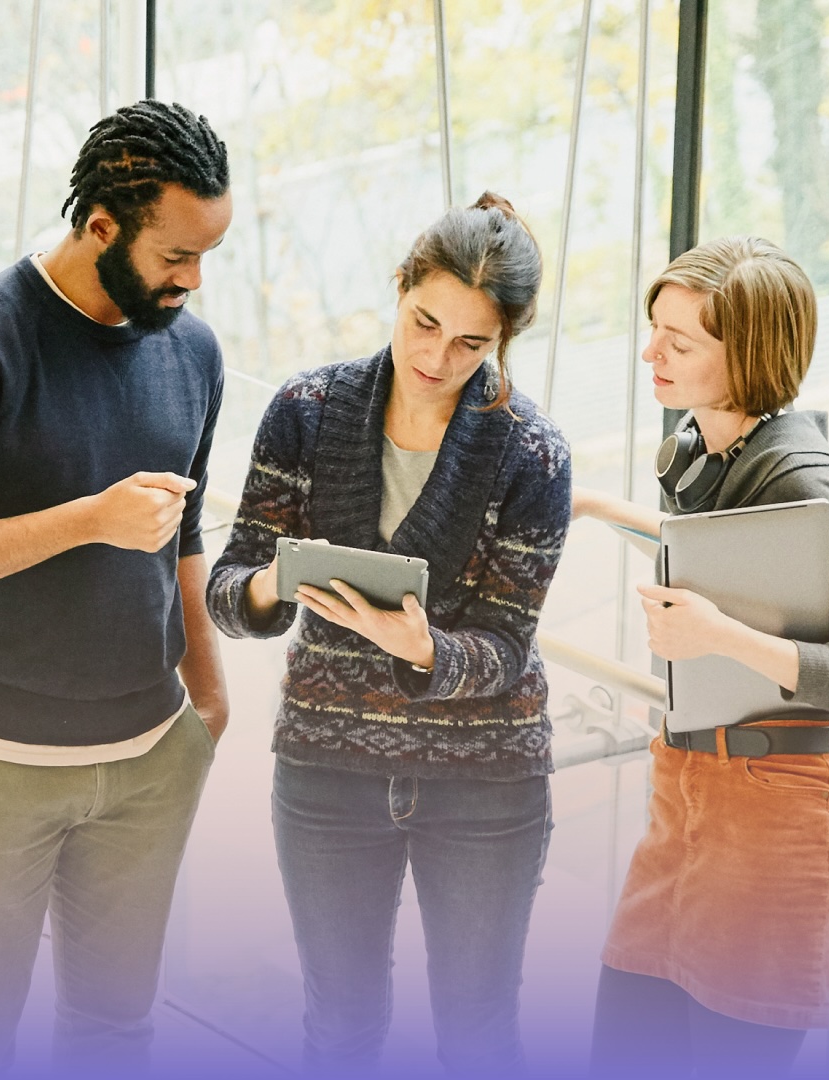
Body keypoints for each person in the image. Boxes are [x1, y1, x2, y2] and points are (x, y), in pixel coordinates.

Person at [0, 100, 233, 1073]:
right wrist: (87, 521)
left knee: (117, 1034)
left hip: (149, 756)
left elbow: (181, 528)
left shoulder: (192, 350)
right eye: (174, 257)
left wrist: (209, 687)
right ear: (102, 226)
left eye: (207, 254)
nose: (192, 282)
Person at [206, 192, 572, 1074]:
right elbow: (226, 590)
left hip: (485, 784)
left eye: (470, 343)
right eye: (424, 322)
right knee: (340, 1030)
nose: (436, 357)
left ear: (503, 342)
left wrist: (425, 651)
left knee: (479, 1038)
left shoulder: (533, 455)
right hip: (329, 776)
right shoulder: (305, 409)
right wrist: (270, 583)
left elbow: (508, 645)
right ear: (400, 286)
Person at [576, 236, 829, 1078]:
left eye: (679, 342)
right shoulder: (712, 450)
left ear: (750, 358)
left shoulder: (807, 481)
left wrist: (718, 637)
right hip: (693, 803)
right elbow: (738, 557)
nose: (651, 352)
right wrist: (598, 505)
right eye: (654, 328)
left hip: (776, 832)